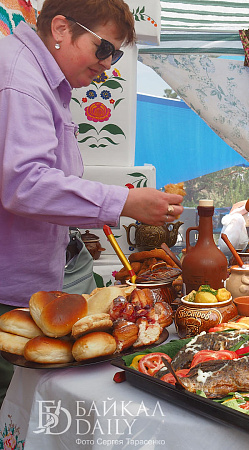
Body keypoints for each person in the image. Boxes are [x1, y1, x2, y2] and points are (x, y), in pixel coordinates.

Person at [0, 0, 183, 404]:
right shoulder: (20, 80)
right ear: (61, 29)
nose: (108, 64)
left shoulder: (39, 78)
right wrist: (123, 201)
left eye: (115, 55)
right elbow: (24, 183)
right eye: (104, 48)